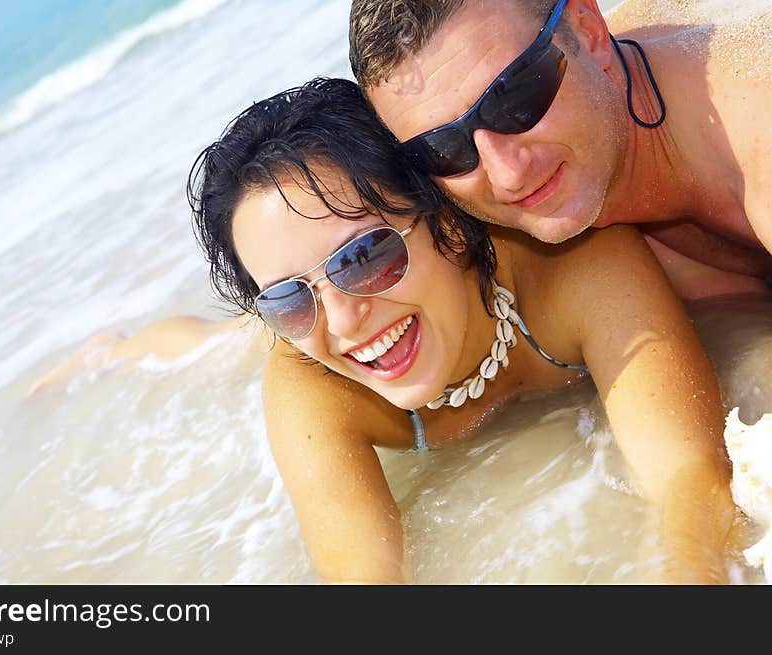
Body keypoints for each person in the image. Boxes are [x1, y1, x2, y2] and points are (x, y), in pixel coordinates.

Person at [181, 77, 734, 584]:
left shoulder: (572, 263)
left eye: (365, 256)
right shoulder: (312, 379)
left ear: (444, 215)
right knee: (213, 348)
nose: (344, 320)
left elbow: (689, 481)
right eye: (285, 299)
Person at [349, 0, 772, 299]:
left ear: (589, 32)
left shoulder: (755, 123)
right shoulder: (476, 219)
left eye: (513, 99)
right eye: (441, 147)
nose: (507, 174)